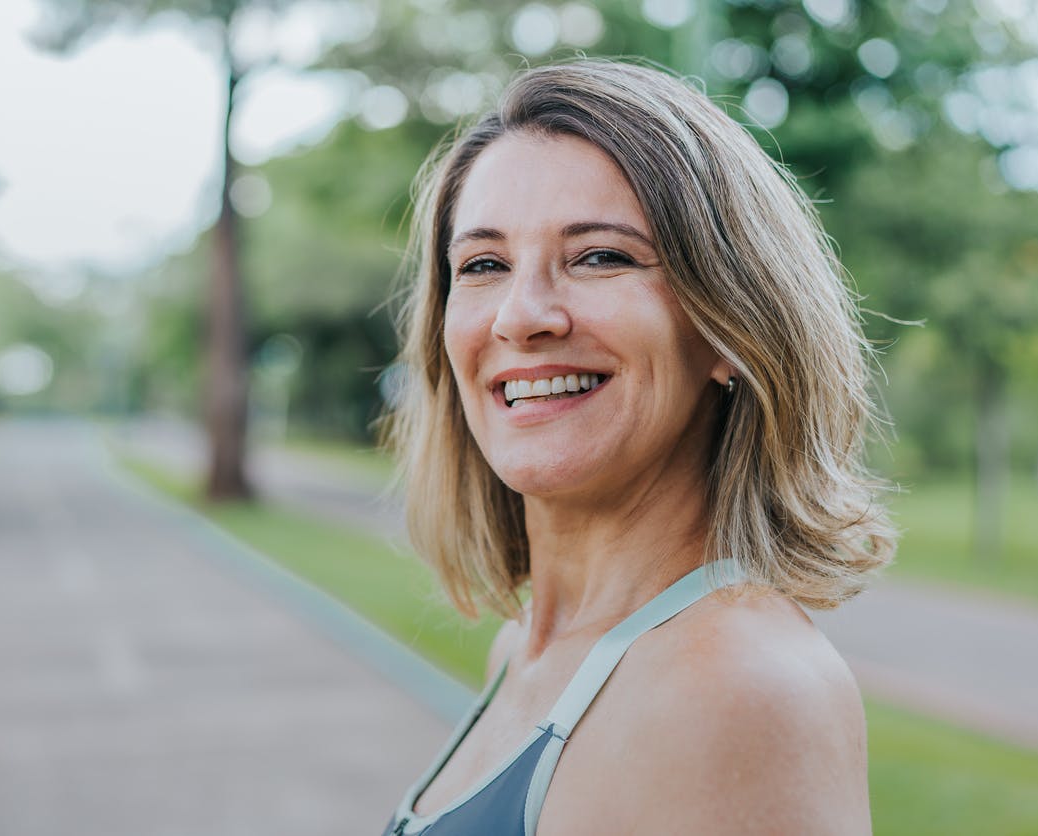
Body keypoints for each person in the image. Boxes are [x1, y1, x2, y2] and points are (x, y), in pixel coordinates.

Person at [381, 58, 895, 835]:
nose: (521, 317)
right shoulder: (521, 650)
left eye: (599, 256)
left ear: (729, 325)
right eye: (484, 264)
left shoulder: (740, 686)